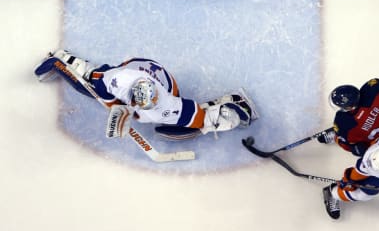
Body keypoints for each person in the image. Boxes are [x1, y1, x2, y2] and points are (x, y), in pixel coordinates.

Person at [34, 49, 258, 140]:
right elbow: (107, 96)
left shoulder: (164, 103)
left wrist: (218, 118)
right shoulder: (116, 82)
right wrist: (117, 109)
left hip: (160, 80)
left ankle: (228, 105)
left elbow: (191, 115)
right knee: (88, 85)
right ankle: (59, 61)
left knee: (174, 123)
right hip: (132, 69)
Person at [317, 73, 379, 156]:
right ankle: (336, 133)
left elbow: (346, 145)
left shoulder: (344, 121)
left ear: (350, 107)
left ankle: (335, 135)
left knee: (344, 137)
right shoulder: (373, 89)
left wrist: (354, 149)